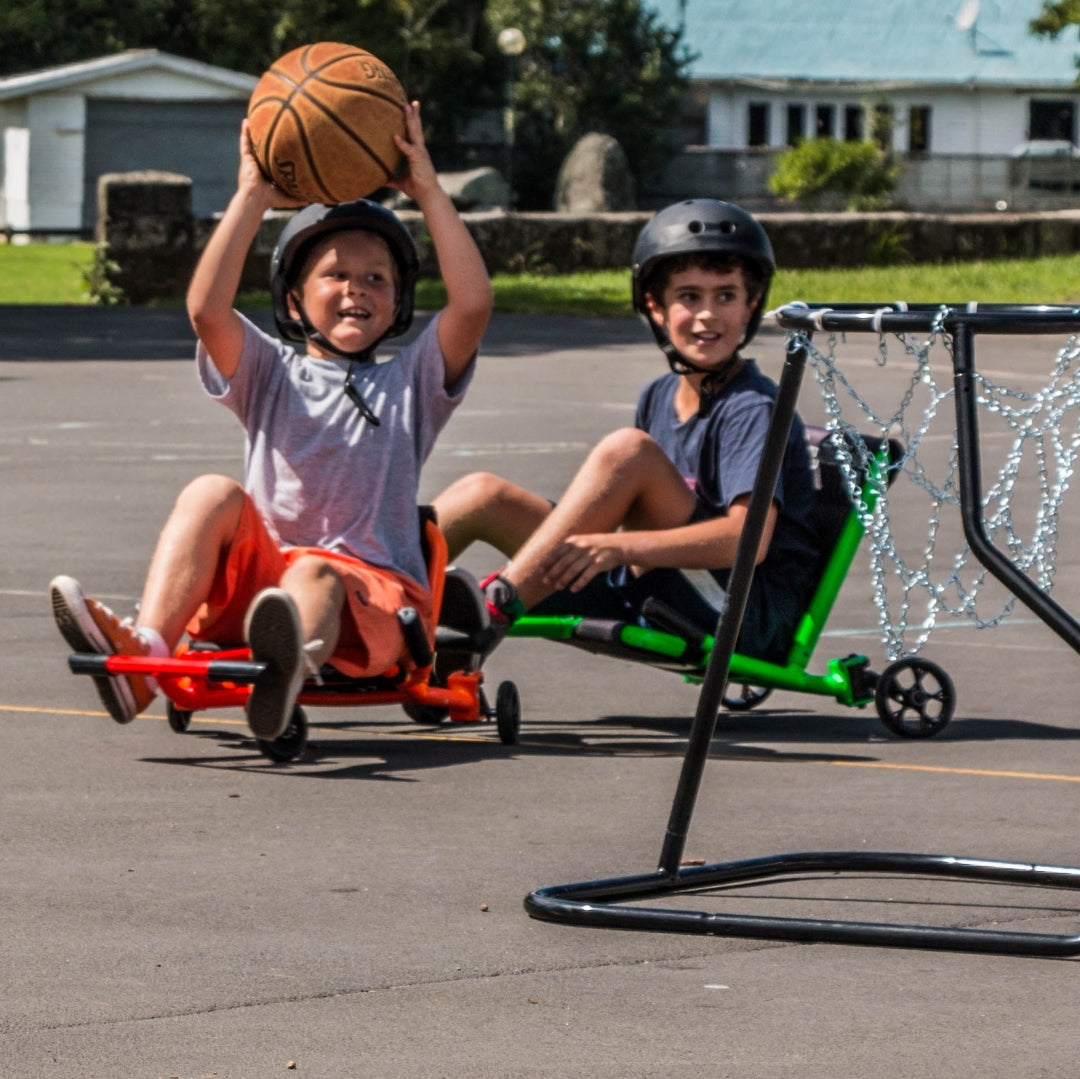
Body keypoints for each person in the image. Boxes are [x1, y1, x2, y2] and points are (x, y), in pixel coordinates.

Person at [50, 99, 493, 740]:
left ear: (398, 302)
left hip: (371, 602)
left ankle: (284, 673)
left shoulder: (411, 382)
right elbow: (207, 310)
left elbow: (473, 304)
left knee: (314, 572)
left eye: (377, 278)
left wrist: (426, 189)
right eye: (335, 274)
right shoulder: (270, 372)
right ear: (292, 297)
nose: (358, 288)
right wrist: (253, 193)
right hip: (263, 590)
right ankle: (146, 657)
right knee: (212, 491)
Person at [432, 198, 822, 664]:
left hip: (739, 611)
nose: (707, 314)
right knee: (482, 496)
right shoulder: (658, 396)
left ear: (751, 304)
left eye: (726, 296)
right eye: (689, 296)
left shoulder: (751, 408)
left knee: (628, 450)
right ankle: (375, 602)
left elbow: (746, 542)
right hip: (651, 584)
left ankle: (495, 609)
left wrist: (618, 546)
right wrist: (611, 548)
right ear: (656, 307)